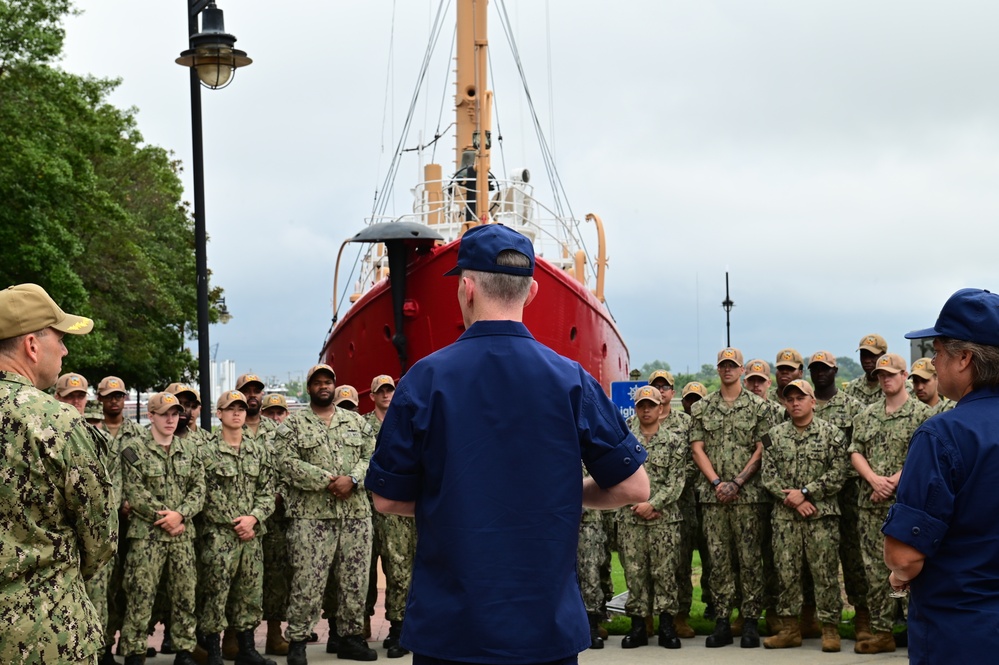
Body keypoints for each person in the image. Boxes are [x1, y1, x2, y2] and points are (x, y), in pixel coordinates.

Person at [366, 223, 650, 665]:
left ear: (467, 288)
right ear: (532, 291)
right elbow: (635, 488)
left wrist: (454, 501)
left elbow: (385, 498)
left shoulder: (425, 378)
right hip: (545, 628)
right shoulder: (572, 379)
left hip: (451, 629)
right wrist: (558, 496)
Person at [0, 283, 117, 665]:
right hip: (47, 633)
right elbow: (100, 538)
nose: (65, 350)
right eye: (60, 338)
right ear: (32, 346)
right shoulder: (56, 421)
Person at [882, 288, 999, 664]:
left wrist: (899, 576)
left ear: (964, 358)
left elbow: (904, 555)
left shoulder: (943, 435)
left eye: (937, 351)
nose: (932, 362)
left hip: (962, 632)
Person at [274, 363, 377, 664]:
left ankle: (350, 638)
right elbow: (285, 462)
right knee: (307, 582)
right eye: (317, 383)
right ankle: (297, 642)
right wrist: (328, 481)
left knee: (355, 580)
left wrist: (354, 479)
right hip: (312, 518)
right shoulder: (292, 426)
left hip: (355, 516)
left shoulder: (356, 423)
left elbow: (371, 455)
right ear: (309, 388)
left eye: (327, 382)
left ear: (334, 386)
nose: (323, 387)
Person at [689, 347, 772, 649]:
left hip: (748, 496)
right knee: (718, 560)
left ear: (741, 370)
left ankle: (750, 621)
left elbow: (762, 448)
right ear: (718, 369)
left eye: (732, 365)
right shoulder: (703, 408)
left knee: (750, 559)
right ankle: (722, 620)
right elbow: (697, 448)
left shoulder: (759, 407)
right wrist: (716, 482)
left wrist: (737, 482)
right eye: (723, 365)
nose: (727, 370)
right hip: (714, 498)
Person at [848, 353, 929, 654]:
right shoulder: (866, 415)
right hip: (871, 504)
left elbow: (924, 455)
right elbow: (855, 450)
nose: (885, 379)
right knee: (874, 569)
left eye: (891, 374)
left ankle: (915, 630)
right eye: (881, 375)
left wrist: (894, 480)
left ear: (905, 374)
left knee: (910, 568)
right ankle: (881, 632)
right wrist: (874, 480)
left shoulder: (922, 415)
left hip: (908, 506)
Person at [760, 380, 848, 652]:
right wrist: (794, 499)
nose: (795, 403)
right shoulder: (773, 436)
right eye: (790, 399)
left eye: (801, 397)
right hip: (786, 518)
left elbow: (839, 473)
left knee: (825, 574)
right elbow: (768, 475)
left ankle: (830, 629)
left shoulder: (832, 435)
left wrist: (807, 492)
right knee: (786, 574)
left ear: (813, 401)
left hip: (821, 517)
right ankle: (789, 629)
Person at [119, 391, 206, 665]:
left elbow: (199, 489)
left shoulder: (189, 449)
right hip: (147, 536)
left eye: (174, 414)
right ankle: (134, 651)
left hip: (182, 535)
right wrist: (166, 518)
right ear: (151, 416)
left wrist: (180, 515)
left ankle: (184, 650)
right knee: (140, 594)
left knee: (184, 594)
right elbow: (135, 491)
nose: (171, 420)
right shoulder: (133, 449)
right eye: (164, 414)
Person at [197, 390, 275, 665]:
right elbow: (203, 494)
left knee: (250, 593)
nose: (237, 412)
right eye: (230, 408)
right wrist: (237, 522)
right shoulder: (205, 452)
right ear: (219, 414)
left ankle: (246, 649)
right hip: (219, 536)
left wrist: (253, 519)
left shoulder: (258, 450)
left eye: (241, 408)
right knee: (215, 593)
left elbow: (268, 492)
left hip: (251, 535)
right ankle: (214, 652)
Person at [617, 385, 688, 650]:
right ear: (635, 409)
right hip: (630, 518)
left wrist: (654, 504)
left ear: (661, 408)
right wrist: (639, 504)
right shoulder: (623, 441)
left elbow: (677, 480)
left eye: (651, 405)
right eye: (641, 405)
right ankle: (638, 627)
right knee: (634, 573)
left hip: (664, 519)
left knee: (665, 572)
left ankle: (667, 626)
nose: (646, 410)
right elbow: (615, 478)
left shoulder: (674, 441)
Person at [807, 351, 870, 639]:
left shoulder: (853, 407)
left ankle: (862, 617)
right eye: (815, 369)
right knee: (819, 560)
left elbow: (859, 449)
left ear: (835, 371)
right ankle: (816, 618)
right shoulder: (802, 404)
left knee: (854, 557)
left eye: (825, 369)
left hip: (848, 493)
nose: (820, 373)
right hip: (814, 497)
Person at [365, 375, 415, 659]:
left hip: (412, 505)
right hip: (384, 508)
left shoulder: (408, 421)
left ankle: (408, 627)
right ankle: (397, 628)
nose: (386, 395)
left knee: (414, 567)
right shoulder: (364, 426)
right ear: (372, 395)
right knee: (395, 569)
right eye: (381, 391)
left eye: (390, 390)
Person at [843, 334, 888, 405]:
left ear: (883, 356)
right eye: (863, 355)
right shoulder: (852, 388)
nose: (867, 360)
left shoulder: (898, 386)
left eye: (872, 356)